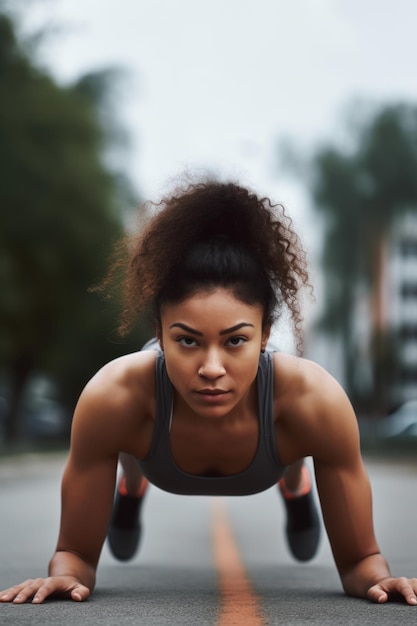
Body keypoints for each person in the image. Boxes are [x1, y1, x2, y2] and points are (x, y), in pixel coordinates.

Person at [1, 179, 416, 606]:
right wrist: (65, 574)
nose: (211, 369)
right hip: (148, 437)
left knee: (294, 429)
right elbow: (73, 557)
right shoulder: (114, 395)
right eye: (187, 340)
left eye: (236, 340)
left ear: (266, 335)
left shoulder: (314, 400)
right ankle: (132, 483)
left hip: (280, 441)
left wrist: (377, 580)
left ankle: (295, 484)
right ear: (159, 333)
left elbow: (362, 563)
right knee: (128, 422)